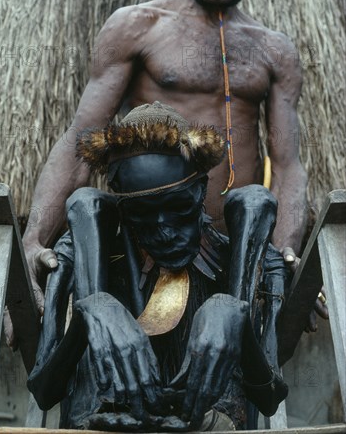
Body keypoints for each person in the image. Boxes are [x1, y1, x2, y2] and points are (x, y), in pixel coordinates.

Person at [6, 0, 327, 347]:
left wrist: (282, 254)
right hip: (141, 249)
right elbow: (82, 141)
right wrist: (34, 241)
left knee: (226, 391)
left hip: (233, 254)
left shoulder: (273, 51)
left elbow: (289, 165)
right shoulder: (137, 26)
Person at [27, 102, 288, 431]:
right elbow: (44, 391)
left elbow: (270, 396)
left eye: (179, 207)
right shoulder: (80, 251)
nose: (164, 231)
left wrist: (235, 315)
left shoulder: (249, 255)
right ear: (121, 207)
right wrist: (89, 312)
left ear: (201, 190)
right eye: (143, 214)